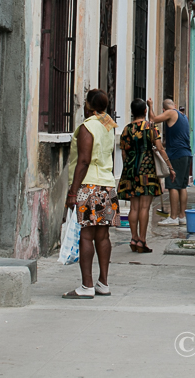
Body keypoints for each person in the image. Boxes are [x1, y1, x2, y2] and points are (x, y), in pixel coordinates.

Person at [63, 89, 119, 299]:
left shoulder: (88, 127)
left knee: (86, 236)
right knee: (103, 236)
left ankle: (86, 286)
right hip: (107, 185)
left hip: (89, 186)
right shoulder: (108, 125)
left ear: (87, 105)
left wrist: (72, 192)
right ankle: (103, 282)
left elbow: (84, 161)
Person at [118, 99, 174, 253]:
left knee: (133, 207)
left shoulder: (126, 129)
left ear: (132, 112)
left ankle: (133, 238)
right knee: (145, 207)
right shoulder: (150, 127)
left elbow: (123, 152)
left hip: (130, 170)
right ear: (144, 111)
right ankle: (142, 240)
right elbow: (160, 148)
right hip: (147, 169)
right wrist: (170, 167)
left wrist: (128, 168)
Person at [148, 98, 192, 226]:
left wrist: (150, 106)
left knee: (173, 185)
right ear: (175, 104)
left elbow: (153, 120)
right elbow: (176, 137)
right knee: (182, 186)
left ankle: (173, 218)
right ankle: (182, 216)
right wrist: (161, 145)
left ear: (164, 110)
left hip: (176, 155)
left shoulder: (171, 112)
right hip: (186, 154)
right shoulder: (183, 117)